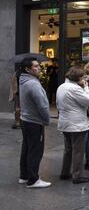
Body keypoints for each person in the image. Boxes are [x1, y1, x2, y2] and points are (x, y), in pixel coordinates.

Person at [56, 66, 89, 184]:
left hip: (65, 122)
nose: (83, 79)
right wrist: (86, 88)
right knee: (78, 150)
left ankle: (65, 172)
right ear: (78, 78)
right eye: (82, 77)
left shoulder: (61, 87)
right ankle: (78, 175)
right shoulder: (74, 89)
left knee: (68, 149)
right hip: (76, 124)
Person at [18, 57, 51, 188]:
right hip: (34, 121)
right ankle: (33, 179)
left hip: (26, 120)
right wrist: (46, 120)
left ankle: (24, 176)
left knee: (27, 148)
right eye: (35, 66)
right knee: (35, 150)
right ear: (28, 69)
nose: (39, 68)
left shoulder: (24, 80)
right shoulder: (33, 84)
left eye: (39, 66)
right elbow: (42, 106)